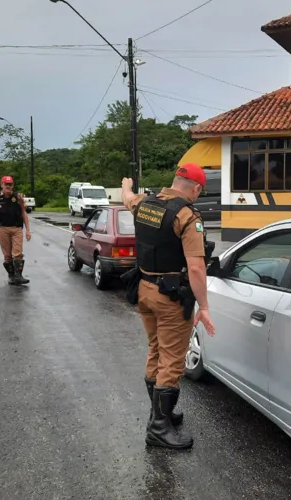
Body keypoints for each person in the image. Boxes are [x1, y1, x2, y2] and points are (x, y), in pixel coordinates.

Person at [121, 163, 216, 450]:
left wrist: (126, 185)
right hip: (171, 298)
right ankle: (159, 428)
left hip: (145, 291)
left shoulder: (144, 204)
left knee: (156, 350)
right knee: (172, 361)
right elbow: (197, 267)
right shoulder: (187, 216)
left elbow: (127, 198)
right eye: (200, 191)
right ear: (196, 188)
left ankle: (159, 412)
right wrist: (205, 306)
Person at [0, 176, 31, 285]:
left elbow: (24, 213)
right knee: (7, 255)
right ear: (2, 185)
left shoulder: (18, 198)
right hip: (2, 229)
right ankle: (11, 276)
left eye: (10, 184)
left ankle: (18, 276)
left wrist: (28, 230)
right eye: (6, 184)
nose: (8, 186)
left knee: (18, 253)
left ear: (12, 186)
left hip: (16, 228)